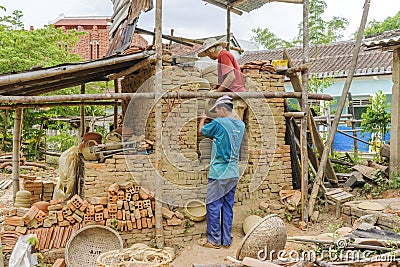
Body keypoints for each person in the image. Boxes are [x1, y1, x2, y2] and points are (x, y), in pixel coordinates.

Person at [197, 95, 245, 249]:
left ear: (223, 109)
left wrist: (203, 119)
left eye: (217, 110)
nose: (216, 114)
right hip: (233, 172)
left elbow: (201, 132)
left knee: (213, 205)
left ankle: (214, 240)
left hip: (218, 173)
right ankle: (226, 239)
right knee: (227, 206)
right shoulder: (241, 125)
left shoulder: (218, 123)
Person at [198, 38, 247, 120]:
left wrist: (217, 92)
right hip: (232, 95)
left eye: (208, 54)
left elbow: (231, 77)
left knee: (234, 126)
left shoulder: (224, 55)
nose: (209, 57)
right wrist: (218, 86)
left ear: (211, 51)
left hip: (235, 94)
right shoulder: (223, 56)